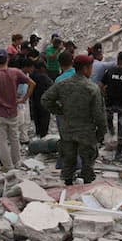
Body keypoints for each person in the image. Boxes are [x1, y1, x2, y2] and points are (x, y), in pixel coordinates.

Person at [41, 54, 106, 186]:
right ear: (85, 68)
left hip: (67, 130)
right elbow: (99, 115)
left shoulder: (62, 84)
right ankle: (87, 188)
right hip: (86, 132)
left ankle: (67, 188)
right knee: (87, 163)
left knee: (68, 162)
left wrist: (60, 111)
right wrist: (100, 133)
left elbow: (45, 100)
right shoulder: (92, 88)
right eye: (91, 67)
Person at [0, 49, 34, 172]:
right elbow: (32, 83)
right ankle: (17, 162)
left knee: (2, 141)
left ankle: (8, 166)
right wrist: (24, 99)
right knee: (14, 138)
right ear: (7, 59)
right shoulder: (15, 72)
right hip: (13, 111)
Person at [29, 59, 54, 138]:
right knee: (44, 117)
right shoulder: (44, 77)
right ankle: (44, 134)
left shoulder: (31, 76)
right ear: (42, 68)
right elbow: (52, 87)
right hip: (44, 100)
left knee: (37, 116)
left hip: (34, 99)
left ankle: (38, 131)